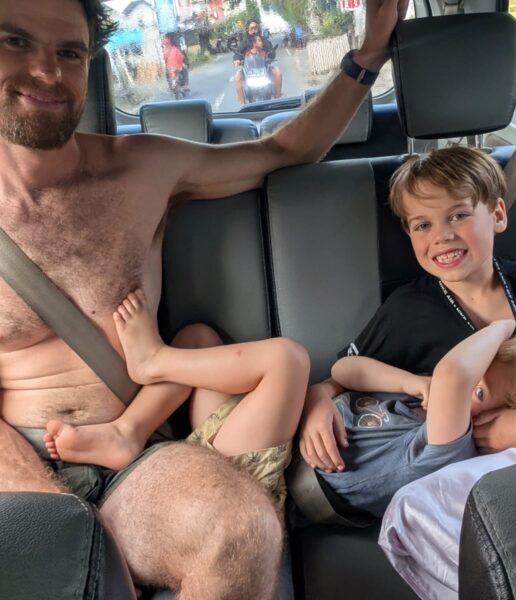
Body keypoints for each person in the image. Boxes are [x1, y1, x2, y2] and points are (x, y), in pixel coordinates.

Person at [0, 0, 405, 597]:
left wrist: (367, 57)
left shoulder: (143, 169)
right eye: (15, 42)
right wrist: (64, 530)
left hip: (140, 456)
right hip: (19, 465)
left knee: (242, 531)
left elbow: (286, 151)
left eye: (69, 53)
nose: (47, 71)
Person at [300, 146, 516, 478]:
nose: (442, 236)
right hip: (453, 476)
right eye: (422, 225)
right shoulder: (408, 309)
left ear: (498, 215)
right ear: (409, 234)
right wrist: (318, 400)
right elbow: (341, 377)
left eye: (458, 216)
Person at [44, 289, 304, 513]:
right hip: (235, 451)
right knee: (198, 339)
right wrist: (321, 396)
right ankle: (127, 431)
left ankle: (154, 360)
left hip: (244, 491)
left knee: (287, 360)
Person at [317, 319, 516, 516]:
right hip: (309, 421)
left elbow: (453, 374)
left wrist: (503, 326)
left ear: (500, 419)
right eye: (477, 370)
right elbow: (342, 370)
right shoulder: (424, 392)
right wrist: (409, 382)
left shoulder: (451, 448)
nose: (469, 383)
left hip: (309, 476)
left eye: (479, 392)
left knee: (293, 358)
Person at [233, 19, 282, 103]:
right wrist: (237, 60)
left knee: (278, 73)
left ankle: (277, 98)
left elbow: (271, 51)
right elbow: (237, 53)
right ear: (248, 30)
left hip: (264, 68)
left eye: (255, 28)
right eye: (252, 28)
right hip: (248, 70)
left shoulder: (263, 40)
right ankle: (243, 103)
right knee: (237, 77)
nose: (254, 30)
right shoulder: (244, 42)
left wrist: (270, 56)